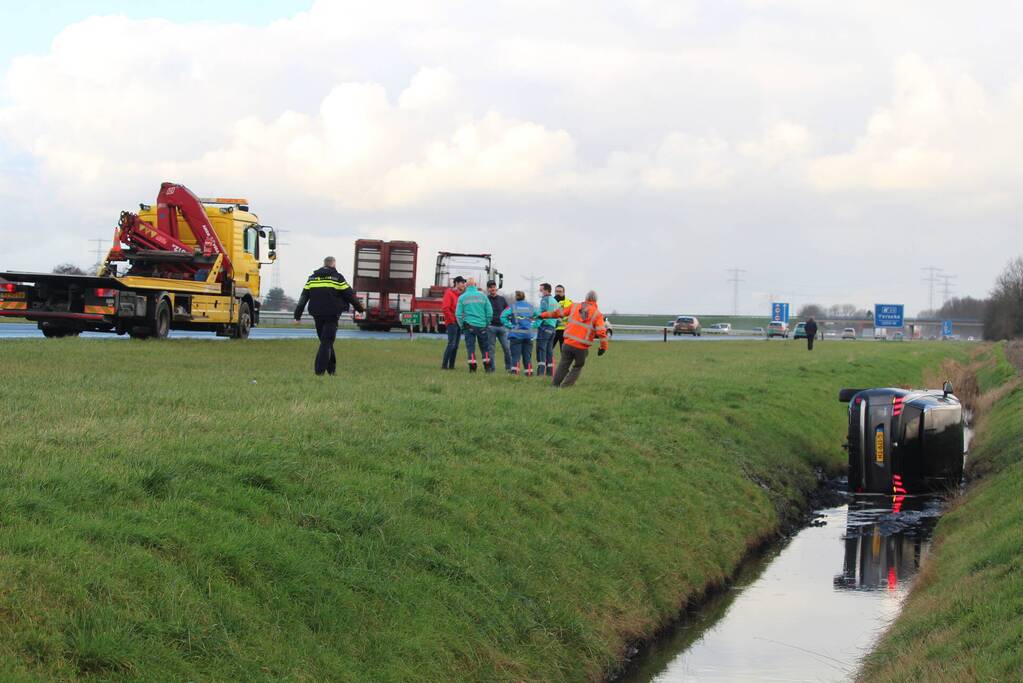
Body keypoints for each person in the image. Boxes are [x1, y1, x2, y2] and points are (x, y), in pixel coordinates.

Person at [293, 256, 365, 376]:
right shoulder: (337, 278)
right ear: (334, 265)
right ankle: (319, 372)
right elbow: (349, 295)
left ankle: (332, 370)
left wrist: (297, 316)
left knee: (325, 341)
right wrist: (360, 308)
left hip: (317, 314)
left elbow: (303, 298)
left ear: (324, 264)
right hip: (332, 314)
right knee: (327, 342)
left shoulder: (312, 278)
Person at [539, 290, 609, 388]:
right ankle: (565, 387)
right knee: (578, 366)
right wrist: (603, 347)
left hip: (567, 343)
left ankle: (554, 385)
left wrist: (542, 315)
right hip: (581, 347)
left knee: (563, 365)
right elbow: (601, 333)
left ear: (586, 298)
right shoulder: (597, 314)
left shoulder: (574, 306)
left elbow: (557, 313)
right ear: (596, 300)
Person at [456, 278, 494, 372]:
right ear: (475, 285)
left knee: (471, 347)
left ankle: (473, 367)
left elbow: (458, 314)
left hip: (469, 326)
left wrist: (462, 325)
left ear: (466, 286)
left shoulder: (462, 297)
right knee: (485, 347)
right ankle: (487, 367)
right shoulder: (483, 296)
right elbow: (490, 312)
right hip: (482, 326)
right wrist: (487, 323)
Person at [500, 290, 539, 375]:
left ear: (516, 297)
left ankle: (515, 372)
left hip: (516, 335)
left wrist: (510, 326)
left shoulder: (513, 307)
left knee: (515, 356)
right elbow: (539, 316)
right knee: (527, 357)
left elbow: (502, 316)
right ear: (524, 297)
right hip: (528, 335)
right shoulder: (530, 307)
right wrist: (534, 326)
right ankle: (529, 373)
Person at [485, 280, 512, 372]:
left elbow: (508, 311)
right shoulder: (486, 299)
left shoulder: (502, 299)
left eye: (494, 287)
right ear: (488, 289)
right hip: (490, 327)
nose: (493, 289)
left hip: (502, 327)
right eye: (490, 287)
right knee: (491, 349)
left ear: (496, 288)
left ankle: (509, 368)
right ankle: (492, 369)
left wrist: (509, 322)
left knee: (507, 348)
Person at [441, 276, 466, 369]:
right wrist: (452, 321)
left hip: (459, 323)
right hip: (452, 323)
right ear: (456, 283)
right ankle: (444, 365)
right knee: (451, 344)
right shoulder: (449, 293)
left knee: (456, 346)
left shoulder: (461, 295)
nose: (464, 284)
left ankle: (451, 366)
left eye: (464, 283)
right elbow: (445, 308)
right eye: (462, 282)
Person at [535, 283, 560, 377]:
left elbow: (543, 312)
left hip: (544, 327)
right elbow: (559, 317)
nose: (540, 292)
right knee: (549, 351)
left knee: (541, 350)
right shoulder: (555, 301)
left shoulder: (544, 299)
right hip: (552, 329)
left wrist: (536, 323)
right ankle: (550, 373)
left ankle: (540, 373)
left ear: (546, 290)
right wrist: (554, 325)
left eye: (541, 290)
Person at [553, 285, 573, 351]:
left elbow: (572, 316)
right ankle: (549, 361)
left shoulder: (569, 303)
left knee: (564, 352)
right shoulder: (550, 302)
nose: (558, 293)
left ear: (564, 292)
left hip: (565, 330)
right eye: (556, 291)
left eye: (560, 291)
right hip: (552, 329)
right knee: (548, 351)